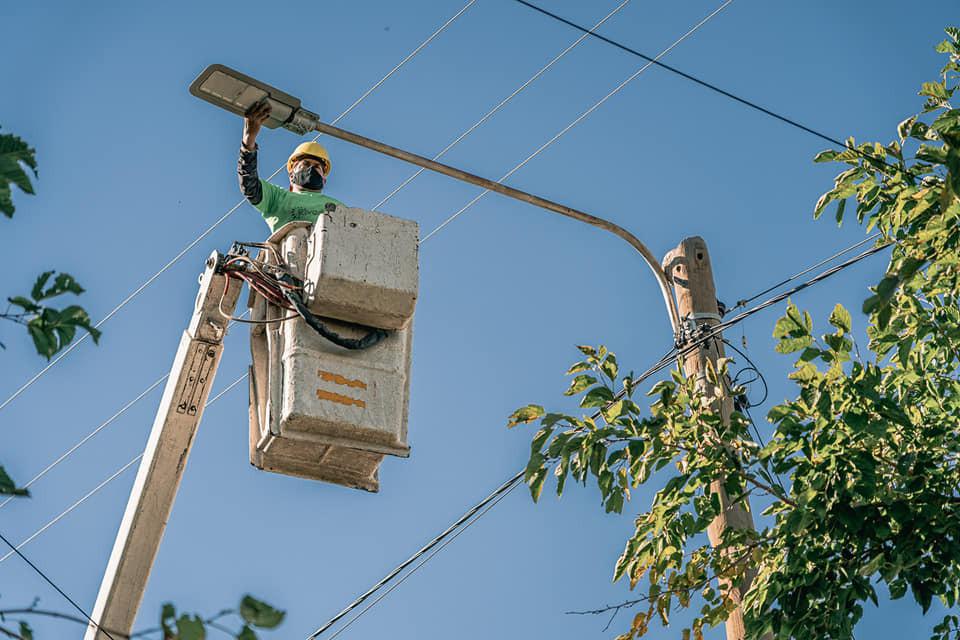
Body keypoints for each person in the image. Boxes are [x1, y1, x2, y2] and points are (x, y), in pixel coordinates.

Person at [238, 101, 344, 232]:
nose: (311, 167)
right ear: (291, 175)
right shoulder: (277, 198)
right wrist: (248, 143)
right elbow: (250, 185)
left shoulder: (339, 207)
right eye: (305, 163)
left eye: (317, 166)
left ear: (324, 180)